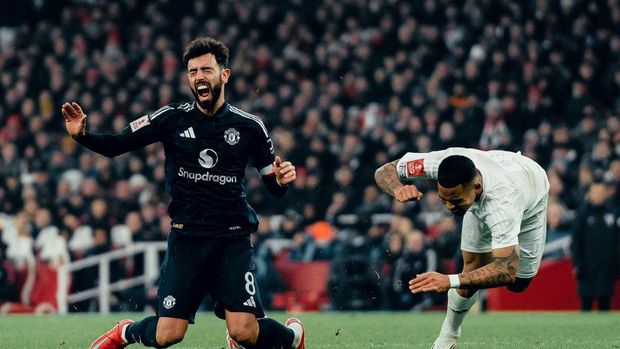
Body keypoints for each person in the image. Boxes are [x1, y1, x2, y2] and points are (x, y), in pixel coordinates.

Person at [61, 37, 305, 349]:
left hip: (231, 239)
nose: (199, 77)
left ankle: (294, 336)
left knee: (244, 332)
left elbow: (274, 186)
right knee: (167, 336)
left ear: (224, 75)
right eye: (192, 72)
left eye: (206, 69)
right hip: (186, 239)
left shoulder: (249, 127)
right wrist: (83, 136)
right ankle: (125, 331)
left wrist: (282, 180)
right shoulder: (171, 118)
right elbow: (117, 145)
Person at [374, 147, 549, 349]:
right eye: (443, 199)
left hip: (530, 190)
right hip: (492, 173)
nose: (448, 207)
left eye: (455, 200)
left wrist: (449, 280)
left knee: (518, 283)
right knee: (471, 269)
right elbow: (384, 170)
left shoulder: (502, 204)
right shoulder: (439, 162)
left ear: (476, 187)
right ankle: (447, 338)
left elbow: (506, 270)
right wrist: (397, 188)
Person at [571, 181, 618, 311]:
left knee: (605, 303)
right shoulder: (582, 214)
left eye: (601, 192)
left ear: (606, 194)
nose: (599, 195)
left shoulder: (612, 214)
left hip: (606, 268)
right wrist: (577, 265)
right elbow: (575, 243)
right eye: (596, 192)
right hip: (587, 267)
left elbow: (617, 242)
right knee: (586, 304)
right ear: (589, 194)